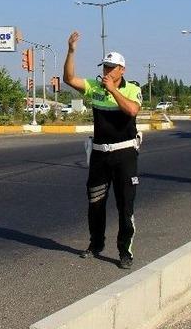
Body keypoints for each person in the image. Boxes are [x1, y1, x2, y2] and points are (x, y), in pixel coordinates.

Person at [63, 31, 141, 269]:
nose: (106, 71)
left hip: (124, 153)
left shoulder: (132, 89)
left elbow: (132, 111)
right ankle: (96, 243)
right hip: (99, 154)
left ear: (122, 70)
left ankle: (125, 252)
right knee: (95, 202)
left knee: (125, 205)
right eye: (105, 67)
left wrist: (113, 91)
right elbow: (69, 78)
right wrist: (71, 51)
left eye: (111, 68)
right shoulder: (94, 87)